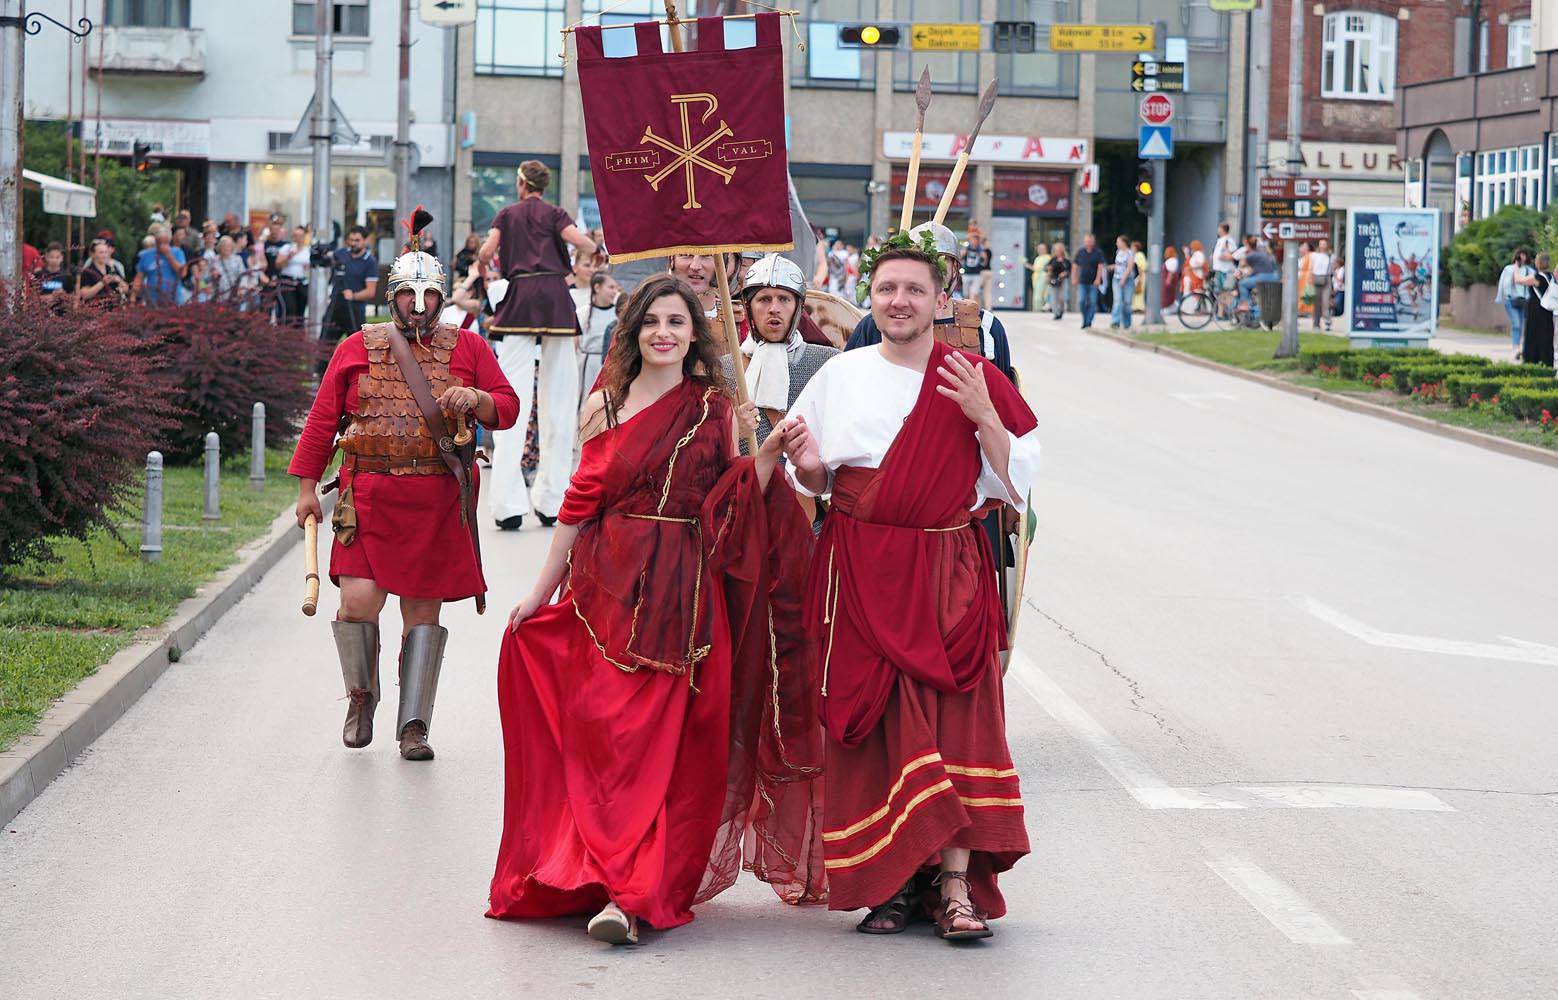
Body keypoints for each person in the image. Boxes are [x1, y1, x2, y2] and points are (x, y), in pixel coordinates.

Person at [488, 274, 823, 944]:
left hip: (689, 598)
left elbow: (735, 501)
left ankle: (631, 894)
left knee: (666, 751)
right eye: (652, 322)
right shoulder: (604, 406)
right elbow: (579, 506)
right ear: (632, 331)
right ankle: (597, 870)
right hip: (605, 594)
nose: (665, 333)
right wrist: (538, 591)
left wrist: (763, 455)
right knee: (606, 742)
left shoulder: (717, 407)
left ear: (695, 335)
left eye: (677, 322)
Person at [779, 233, 1039, 942]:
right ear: (872, 296)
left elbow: (1018, 476)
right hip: (859, 569)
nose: (900, 300)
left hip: (949, 568)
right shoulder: (841, 374)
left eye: (914, 290)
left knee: (960, 723)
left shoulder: (974, 373)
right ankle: (890, 882)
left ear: (939, 299)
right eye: (888, 288)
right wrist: (804, 465)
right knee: (877, 728)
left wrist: (985, 415)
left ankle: (956, 888)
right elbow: (816, 482)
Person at [289, 209, 519, 762]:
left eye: (428, 297)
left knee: (421, 615)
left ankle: (414, 724)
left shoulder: (469, 348)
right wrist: (303, 490)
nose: (419, 307)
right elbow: (323, 420)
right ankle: (361, 697)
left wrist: (478, 401)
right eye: (408, 297)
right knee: (359, 602)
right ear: (391, 298)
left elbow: (507, 407)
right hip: (368, 495)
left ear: (441, 298)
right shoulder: (356, 346)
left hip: (436, 501)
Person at [478, 160, 597, 531]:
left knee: (510, 392)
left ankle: (507, 505)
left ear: (520, 183)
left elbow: (486, 252)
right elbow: (584, 242)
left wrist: (488, 265)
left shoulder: (507, 213)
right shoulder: (555, 213)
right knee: (560, 395)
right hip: (555, 296)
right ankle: (553, 499)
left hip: (520, 298)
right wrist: (582, 254)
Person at [845, 223, 1012, 381]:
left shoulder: (986, 325)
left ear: (955, 267)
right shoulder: (876, 324)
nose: (931, 269)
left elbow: (1005, 401)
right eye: (924, 260)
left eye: (940, 260)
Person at [717, 253, 838, 454]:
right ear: (749, 308)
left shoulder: (829, 363)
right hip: (748, 482)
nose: (774, 309)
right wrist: (734, 431)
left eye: (784, 299)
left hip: (804, 484)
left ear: (798, 308)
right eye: (764, 299)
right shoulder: (722, 369)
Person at [324, 226, 380, 345]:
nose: (353, 243)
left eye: (357, 240)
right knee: (325, 345)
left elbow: (370, 291)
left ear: (365, 241)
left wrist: (353, 296)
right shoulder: (342, 253)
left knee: (355, 347)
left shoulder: (370, 262)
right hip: (335, 307)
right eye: (351, 240)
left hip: (355, 311)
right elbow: (327, 258)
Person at [577, 269, 620, 404]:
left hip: (609, 363)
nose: (614, 292)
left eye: (616, 288)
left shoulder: (617, 314)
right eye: (611, 287)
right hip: (587, 364)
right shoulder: (583, 312)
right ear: (597, 287)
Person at [133, 224, 188, 306]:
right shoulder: (146, 255)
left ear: (169, 241)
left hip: (174, 299)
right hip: (153, 300)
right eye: (159, 243)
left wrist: (169, 256)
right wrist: (132, 297)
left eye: (165, 243)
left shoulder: (177, 253)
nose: (162, 246)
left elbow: (182, 273)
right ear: (155, 241)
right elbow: (139, 277)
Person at [1515, 254, 1554, 367]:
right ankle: (1546, 363)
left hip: (1536, 312)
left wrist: (1517, 267)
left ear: (1539, 263)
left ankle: (1532, 362)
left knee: (1533, 336)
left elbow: (1519, 280)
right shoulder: (1551, 277)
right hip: (1547, 311)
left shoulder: (1537, 278)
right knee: (1546, 337)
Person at [1496, 248, 1534, 356]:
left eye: (1524, 255)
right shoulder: (1509, 269)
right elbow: (1503, 284)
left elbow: (1533, 283)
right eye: (1520, 255)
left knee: (1521, 323)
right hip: (1510, 299)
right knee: (1516, 323)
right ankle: (1516, 346)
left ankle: (1519, 345)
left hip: (1524, 300)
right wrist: (1501, 297)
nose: (1522, 257)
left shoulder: (1529, 270)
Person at [76, 238, 129, 311]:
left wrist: (120, 281)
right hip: (94, 311)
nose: (104, 255)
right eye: (101, 252)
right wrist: (102, 283)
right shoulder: (87, 271)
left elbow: (126, 289)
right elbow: (84, 295)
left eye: (106, 252)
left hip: (113, 312)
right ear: (93, 254)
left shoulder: (112, 269)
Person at [275, 225, 311, 323]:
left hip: (301, 281)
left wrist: (308, 267)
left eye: (300, 236)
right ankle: (287, 332)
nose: (298, 239)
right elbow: (278, 264)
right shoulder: (287, 248)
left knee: (301, 310)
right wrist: (288, 257)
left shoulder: (308, 250)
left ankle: (298, 332)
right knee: (290, 308)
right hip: (288, 281)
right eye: (295, 236)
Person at [1073, 233, 1106, 330]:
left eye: (1090, 241)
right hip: (1082, 282)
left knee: (1092, 302)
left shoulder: (1098, 252)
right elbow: (1075, 266)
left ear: (1093, 242)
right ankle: (1085, 319)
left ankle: (1088, 322)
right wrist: (1074, 278)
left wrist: (1098, 279)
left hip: (1093, 282)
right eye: (1086, 241)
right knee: (1081, 301)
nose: (1088, 243)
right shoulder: (1081, 252)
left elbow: (1101, 266)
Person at [1236, 241, 1280, 313]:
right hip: (1273, 277)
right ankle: (1255, 312)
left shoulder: (1251, 255)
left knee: (1242, 284)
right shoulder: (1264, 254)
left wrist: (1239, 273)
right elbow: (1255, 269)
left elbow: (1242, 264)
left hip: (1263, 277)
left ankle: (1245, 305)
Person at [30, 242, 72, 312]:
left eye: (57, 257)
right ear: (46, 257)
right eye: (52, 257)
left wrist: (63, 295)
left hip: (61, 314)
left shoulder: (67, 276)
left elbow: (72, 298)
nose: (54, 260)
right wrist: (50, 297)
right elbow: (32, 298)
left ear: (62, 258)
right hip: (42, 313)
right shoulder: (39, 275)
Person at [1110, 235, 1136, 330]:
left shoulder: (1130, 253)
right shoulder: (1118, 252)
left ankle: (1127, 323)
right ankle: (1115, 322)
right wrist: (1111, 267)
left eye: (1118, 242)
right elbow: (1118, 265)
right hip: (1116, 279)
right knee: (1117, 300)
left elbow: (1130, 267)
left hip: (1127, 280)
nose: (1117, 244)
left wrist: (1124, 278)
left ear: (1124, 242)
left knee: (1127, 302)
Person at [1309, 238, 1334, 331]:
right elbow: (1311, 267)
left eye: (1324, 244)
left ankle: (1327, 321)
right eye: (1321, 244)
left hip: (1326, 278)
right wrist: (1310, 278)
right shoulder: (1314, 255)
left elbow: (1333, 269)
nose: (1323, 246)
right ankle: (1316, 323)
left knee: (1325, 301)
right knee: (1316, 303)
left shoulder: (1331, 256)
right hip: (1317, 278)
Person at [210, 235, 246, 299]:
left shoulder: (237, 259)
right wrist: (213, 276)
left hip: (234, 295)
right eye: (224, 246)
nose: (226, 248)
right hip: (219, 296)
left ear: (232, 247)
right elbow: (208, 278)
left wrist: (241, 289)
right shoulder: (214, 260)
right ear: (219, 247)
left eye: (229, 246)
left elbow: (243, 276)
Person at [962, 231, 991, 306]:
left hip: (976, 274)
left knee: (974, 293)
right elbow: (960, 256)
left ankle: (971, 308)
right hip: (967, 273)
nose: (974, 241)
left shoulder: (980, 249)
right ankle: (966, 307)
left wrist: (983, 255)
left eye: (976, 240)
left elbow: (985, 261)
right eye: (973, 239)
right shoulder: (966, 248)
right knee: (965, 294)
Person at [1044, 242, 1071, 320]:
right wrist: (1048, 269)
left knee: (1062, 297)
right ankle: (1056, 313)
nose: (1057, 252)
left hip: (1062, 281)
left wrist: (1065, 273)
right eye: (1056, 250)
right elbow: (1045, 268)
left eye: (1059, 250)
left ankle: (1061, 310)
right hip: (1054, 280)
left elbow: (1069, 270)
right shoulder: (1052, 260)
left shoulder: (1066, 261)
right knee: (1054, 297)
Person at [1211, 222, 1237, 294]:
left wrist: (1223, 257)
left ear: (1223, 230)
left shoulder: (1228, 240)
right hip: (1218, 269)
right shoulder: (1220, 240)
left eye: (1219, 228)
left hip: (1225, 270)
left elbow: (1234, 255)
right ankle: (1220, 305)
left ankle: (1227, 305)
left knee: (1226, 291)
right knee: (1218, 292)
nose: (1218, 230)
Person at [1027, 244, 1052, 314]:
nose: (1040, 250)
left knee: (1041, 295)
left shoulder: (1048, 258)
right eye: (1039, 249)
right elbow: (1035, 268)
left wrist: (1048, 277)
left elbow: (1047, 269)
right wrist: (1028, 266)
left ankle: (1039, 309)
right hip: (1036, 278)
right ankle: (1037, 309)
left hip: (1043, 277)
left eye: (1042, 249)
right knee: (1037, 294)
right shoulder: (1037, 258)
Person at [1162, 245, 1180, 311]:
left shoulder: (1172, 261)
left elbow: (1171, 273)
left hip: (1168, 283)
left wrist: (1167, 282)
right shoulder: (1172, 260)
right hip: (1166, 282)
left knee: (1168, 297)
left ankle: (1170, 309)